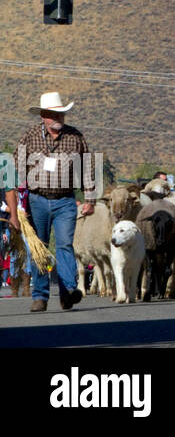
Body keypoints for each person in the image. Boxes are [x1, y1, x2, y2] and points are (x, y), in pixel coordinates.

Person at [16, 92, 94, 312]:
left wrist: (89, 199)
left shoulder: (75, 137)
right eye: (53, 115)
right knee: (38, 248)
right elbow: (15, 167)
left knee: (64, 245)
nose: (58, 118)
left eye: (61, 114)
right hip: (36, 200)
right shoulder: (29, 136)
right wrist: (17, 204)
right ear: (43, 116)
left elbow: (87, 168)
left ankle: (68, 291)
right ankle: (40, 296)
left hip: (65, 201)